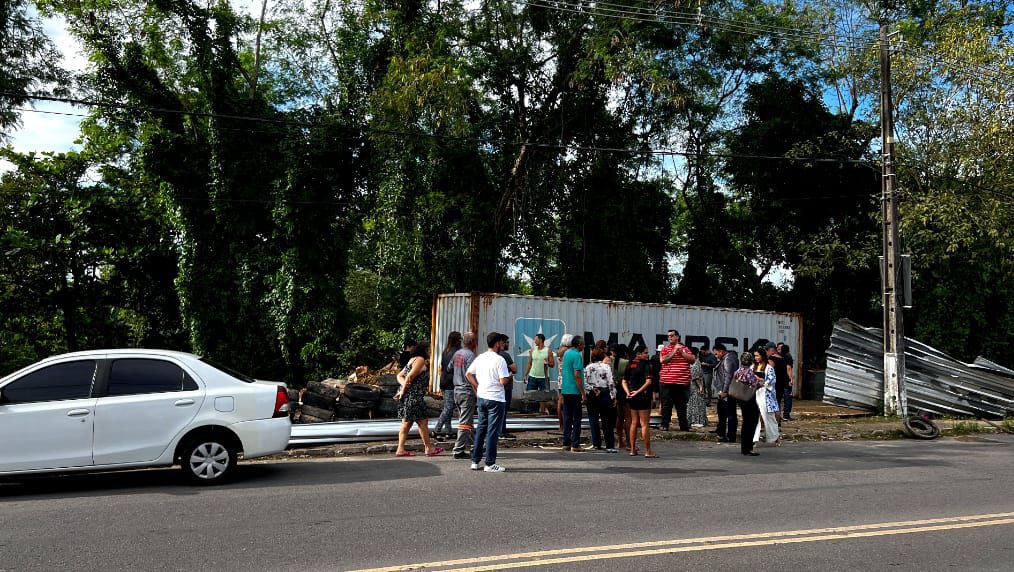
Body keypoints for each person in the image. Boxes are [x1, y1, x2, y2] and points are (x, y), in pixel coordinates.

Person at [466, 332, 512, 472]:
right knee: (492, 432)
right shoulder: (500, 360)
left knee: (481, 429)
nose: (503, 345)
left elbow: (468, 374)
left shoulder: (480, 357)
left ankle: (475, 461)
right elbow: (503, 381)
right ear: (497, 343)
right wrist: (509, 376)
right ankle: (490, 463)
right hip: (496, 398)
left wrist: (477, 386)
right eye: (502, 343)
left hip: (482, 397)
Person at [394, 342, 444, 457]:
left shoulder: (413, 359)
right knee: (415, 422)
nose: (430, 353)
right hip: (414, 397)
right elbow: (410, 376)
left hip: (411, 396)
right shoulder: (420, 359)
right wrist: (403, 390)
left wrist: (404, 388)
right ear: (424, 350)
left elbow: (400, 376)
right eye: (429, 350)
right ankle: (425, 448)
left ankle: (422, 448)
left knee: (413, 422)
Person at [658, 329, 696, 431]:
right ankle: (664, 424)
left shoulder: (685, 349)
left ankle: (684, 426)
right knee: (666, 404)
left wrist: (682, 352)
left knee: (681, 405)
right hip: (667, 382)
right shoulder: (665, 349)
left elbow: (692, 360)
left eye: (672, 335)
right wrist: (674, 350)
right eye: (668, 336)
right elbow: (662, 360)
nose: (670, 337)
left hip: (682, 383)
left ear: (677, 337)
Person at [622, 345, 656, 458]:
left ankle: (632, 449)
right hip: (643, 396)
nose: (647, 355)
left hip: (632, 396)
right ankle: (648, 450)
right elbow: (648, 382)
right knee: (644, 423)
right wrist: (638, 392)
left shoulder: (630, 364)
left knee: (634, 422)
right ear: (639, 353)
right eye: (645, 353)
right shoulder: (647, 365)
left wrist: (628, 392)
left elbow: (624, 381)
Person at [584, 347, 618, 452]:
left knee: (593, 419)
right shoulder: (606, 367)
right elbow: (611, 382)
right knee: (607, 420)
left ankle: (596, 443)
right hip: (604, 392)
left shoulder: (588, 368)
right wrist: (613, 396)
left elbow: (585, 383)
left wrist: (592, 389)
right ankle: (609, 444)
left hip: (593, 394)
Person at [451, 332, 478, 459]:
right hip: (466, 391)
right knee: (464, 422)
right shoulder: (471, 355)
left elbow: (449, 368)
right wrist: (478, 390)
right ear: (473, 342)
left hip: (457, 390)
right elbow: (471, 374)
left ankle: (475, 445)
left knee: (468, 420)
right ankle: (458, 450)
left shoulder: (457, 353)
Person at [732, 352, 763, 456]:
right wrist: (761, 382)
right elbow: (756, 385)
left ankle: (744, 448)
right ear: (751, 362)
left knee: (745, 423)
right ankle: (748, 448)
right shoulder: (749, 372)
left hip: (740, 399)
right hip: (749, 399)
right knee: (751, 423)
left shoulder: (737, 371)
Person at [560, 335, 587, 452]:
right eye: (583, 344)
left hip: (565, 389)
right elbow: (577, 375)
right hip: (574, 390)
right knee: (577, 418)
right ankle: (575, 444)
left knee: (567, 417)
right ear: (579, 345)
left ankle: (566, 442)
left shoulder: (567, 353)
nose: (584, 346)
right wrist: (583, 393)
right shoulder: (577, 355)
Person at [435, 331, 462, 440]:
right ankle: (437, 429)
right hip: (452, 382)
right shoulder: (458, 352)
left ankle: (448, 430)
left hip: (444, 381)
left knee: (448, 406)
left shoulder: (445, 351)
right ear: (458, 340)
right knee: (449, 407)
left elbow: (442, 366)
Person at [752, 349, 781, 446]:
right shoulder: (753, 367)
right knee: (754, 417)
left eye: (757, 356)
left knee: (768, 417)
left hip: (765, 395)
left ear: (762, 356)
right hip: (755, 393)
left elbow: (772, 381)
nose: (756, 358)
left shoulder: (769, 368)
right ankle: (754, 439)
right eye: (755, 356)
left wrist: (762, 380)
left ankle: (775, 436)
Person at [712, 343, 739, 443]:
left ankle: (730, 436)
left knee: (729, 414)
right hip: (727, 391)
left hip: (727, 392)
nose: (716, 356)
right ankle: (721, 432)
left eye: (716, 354)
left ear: (721, 351)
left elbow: (728, 376)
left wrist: (724, 391)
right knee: (723, 413)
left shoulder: (727, 359)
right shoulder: (730, 358)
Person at [524, 333, 555, 414]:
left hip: (543, 378)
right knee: (530, 395)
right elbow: (530, 363)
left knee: (543, 397)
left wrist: (548, 362)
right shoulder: (532, 350)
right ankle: (530, 413)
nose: (534, 341)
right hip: (532, 376)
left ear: (541, 340)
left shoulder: (548, 351)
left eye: (536, 339)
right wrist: (525, 375)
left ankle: (542, 412)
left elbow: (552, 364)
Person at [498, 336, 519, 440]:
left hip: (495, 388)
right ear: (502, 343)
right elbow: (515, 368)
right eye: (507, 342)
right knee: (504, 410)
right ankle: (502, 431)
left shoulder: (492, 355)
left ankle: (499, 430)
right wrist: (510, 373)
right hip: (505, 387)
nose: (508, 344)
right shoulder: (505, 355)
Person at [610, 344, 630, 450]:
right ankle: (629, 442)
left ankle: (620, 441)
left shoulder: (611, 361)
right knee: (628, 417)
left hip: (615, 389)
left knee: (619, 416)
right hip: (624, 389)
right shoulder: (626, 362)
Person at [554, 334, 574, 431]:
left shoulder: (559, 350)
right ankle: (565, 424)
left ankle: (562, 425)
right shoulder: (569, 351)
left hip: (561, 378)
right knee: (565, 402)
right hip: (568, 378)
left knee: (560, 401)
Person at [765, 341, 787, 425]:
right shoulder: (782, 358)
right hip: (781, 384)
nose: (766, 353)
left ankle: (775, 422)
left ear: (770, 350)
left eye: (767, 350)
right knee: (777, 402)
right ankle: (778, 423)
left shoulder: (772, 359)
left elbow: (770, 371)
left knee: (773, 403)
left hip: (774, 384)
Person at [686, 347, 708, 428]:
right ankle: (696, 421)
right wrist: (701, 387)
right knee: (697, 403)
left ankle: (693, 420)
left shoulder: (690, 362)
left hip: (691, 385)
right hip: (695, 387)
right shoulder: (696, 362)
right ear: (697, 354)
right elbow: (696, 377)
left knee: (693, 403)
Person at [778, 343, 796, 421]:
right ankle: (786, 415)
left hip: (780, 380)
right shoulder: (788, 357)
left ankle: (778, 415)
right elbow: (788, 368)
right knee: (788, 398)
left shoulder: (779, 357)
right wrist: (791, 379)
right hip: (786, 381)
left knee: (778, 398)